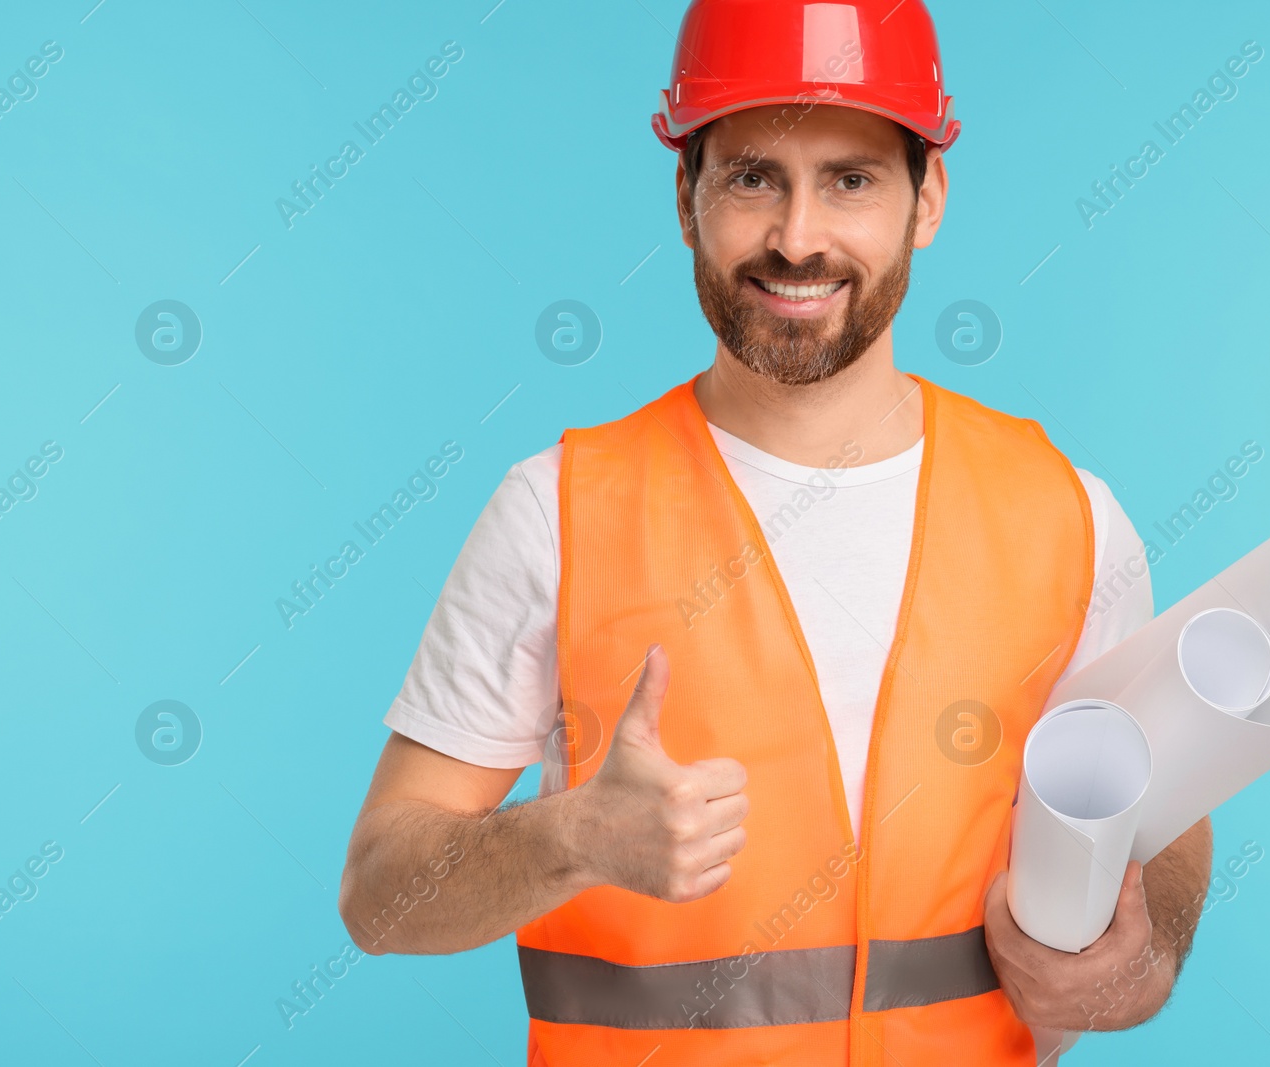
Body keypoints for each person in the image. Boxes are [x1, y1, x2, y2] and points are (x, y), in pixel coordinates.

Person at [339, 1, 1213, 1062]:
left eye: (849, 178)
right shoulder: (558, 508)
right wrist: (566, 837)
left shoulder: (1064, 512)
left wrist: (1140, 953)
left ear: (926, 198)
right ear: (685, 196)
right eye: (754, 176)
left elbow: (1162, 814)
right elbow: (381, 895)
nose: (797, 238)